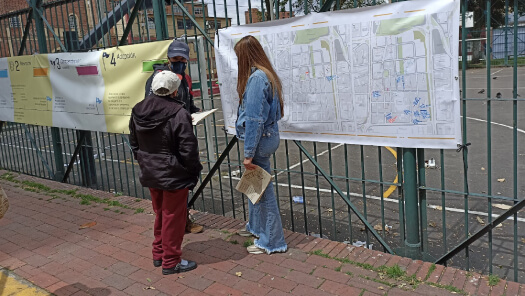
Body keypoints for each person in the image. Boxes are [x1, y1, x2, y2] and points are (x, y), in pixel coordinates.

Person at [130, 71, 202, 274]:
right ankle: (171, 261)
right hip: (173, 172)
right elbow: (188, 149)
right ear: (174, 91)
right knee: (173, 217)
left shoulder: (138, 110)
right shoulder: (178, 113)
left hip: (151, 170)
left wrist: (144, 160)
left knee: (161, 213)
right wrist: (192, 171)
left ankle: (159, 253)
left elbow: (134, 143)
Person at [234, 35, 288, 255]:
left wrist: (248, 154)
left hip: (259, 141)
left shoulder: (257, 79)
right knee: (254, 188)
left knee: (263, 193)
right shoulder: (267, 75)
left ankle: (273, 241)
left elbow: (255, 120)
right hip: (268, 137)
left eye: (240, 57)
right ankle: (256, 228)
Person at [144, 38, 204, 234]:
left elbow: (189, 100)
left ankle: (182, 220)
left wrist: (194, 111)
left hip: (182, 135)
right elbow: (152, 109)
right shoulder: (158, 79)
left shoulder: (184, 78)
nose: (179, 61)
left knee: (181, 182)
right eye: (176, 58)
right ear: (169, 58)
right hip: (166, 141)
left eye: (183, 59)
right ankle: (169, 228)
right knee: (169, 185)